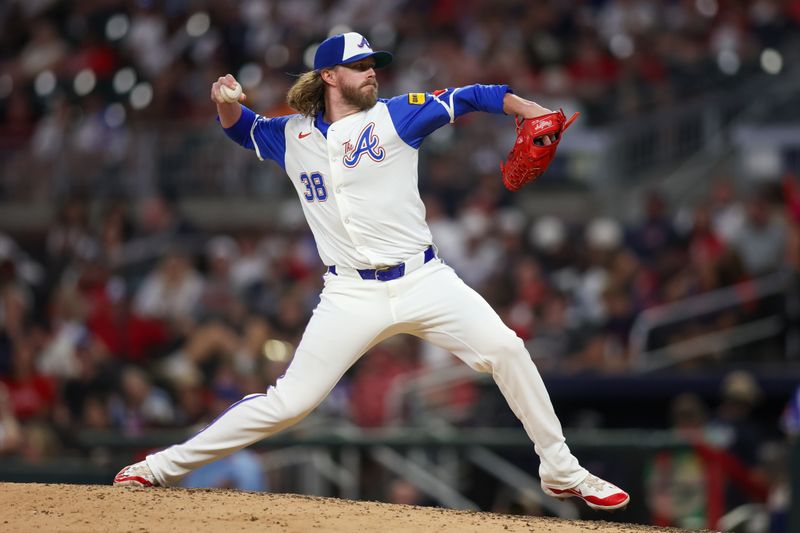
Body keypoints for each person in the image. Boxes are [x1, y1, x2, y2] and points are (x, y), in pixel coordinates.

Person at [113, 31, 629, 511]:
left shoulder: (398, 116)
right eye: (359, 66)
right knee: (289, 403)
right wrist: (225, 104)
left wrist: (530, 109)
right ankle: (158, 467)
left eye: (373, 65)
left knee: (507, 349)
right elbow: (242, 131)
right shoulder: (292, 135)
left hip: (423, 280)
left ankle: (561, 469)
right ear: (329, 77)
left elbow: (473, 95)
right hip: (349, 294)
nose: (371, 73)